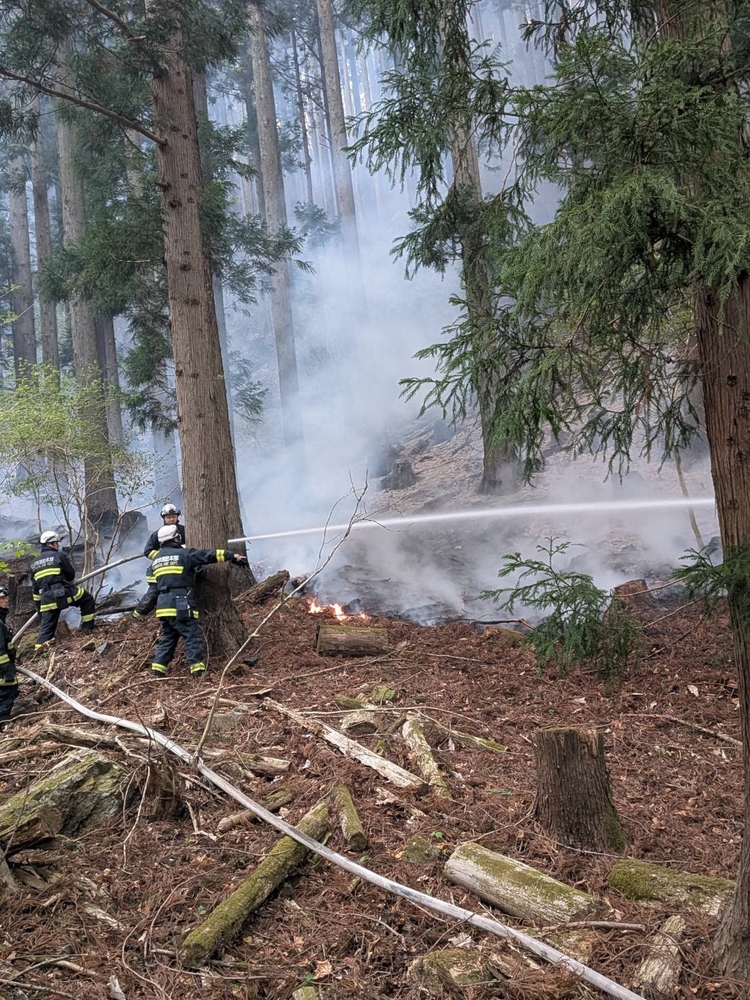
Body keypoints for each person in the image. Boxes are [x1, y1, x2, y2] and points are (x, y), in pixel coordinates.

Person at [149, 524, 247, 678]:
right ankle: (197, 670)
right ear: (175, 537)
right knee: (192, 635)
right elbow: (206, 555)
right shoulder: (183, 554)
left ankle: (158, 668)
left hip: (163, 605)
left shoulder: (156, 560)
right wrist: (231, 556)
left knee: (168, 637)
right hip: (179, 603)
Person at [30, 531, 96, 649]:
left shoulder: (34, 563)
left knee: (46, 629)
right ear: (51, 544)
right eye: (56, 543)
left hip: (46, 600)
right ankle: (87, 629)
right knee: (87, 599)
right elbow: (70, 575)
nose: (58, 546)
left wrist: (40, 611)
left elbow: (35, 590)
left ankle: (38, 652)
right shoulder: (59, 556)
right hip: (62, 593)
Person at [133, 504, 187, 619]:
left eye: (173, 516)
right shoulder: (158, 533)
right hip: (162, 568)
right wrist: (163, 556)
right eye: (168, 517)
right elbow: (148, 551)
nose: (171, 519)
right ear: (163, 518)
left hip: (182, 567)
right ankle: (136, 616)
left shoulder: (184, 530)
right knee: (154, 592)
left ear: (178, 517)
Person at [0, 586, 18, 723]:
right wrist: (7, 672)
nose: (5, 600)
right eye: (1, 598)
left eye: (5, 597)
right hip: (2, 672)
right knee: (6, 695)